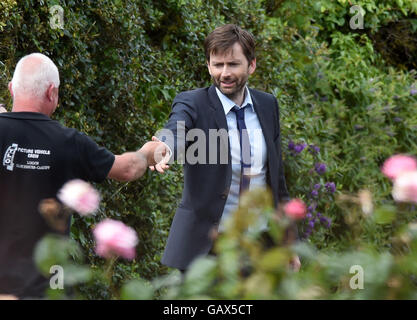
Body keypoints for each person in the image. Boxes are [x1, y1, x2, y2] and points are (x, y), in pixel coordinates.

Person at [0, 53, 170, 298]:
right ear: (52, 93)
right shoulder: (69, 142)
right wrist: (148, 153)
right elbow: (127, 168)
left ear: (11, 89)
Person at [156, 24, 300, 273]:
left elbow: (277, 182)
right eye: (217, 64)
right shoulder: (193, 103)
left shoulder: (268, 106)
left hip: (259, 250)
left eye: (233, 64)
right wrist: (165, 147)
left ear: (251, 65)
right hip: (206, 251)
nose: (224, 73)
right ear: (209, 65)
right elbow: (175, 129)